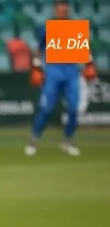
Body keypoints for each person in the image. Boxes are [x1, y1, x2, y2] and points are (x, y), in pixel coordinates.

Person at [25, 0, 98, 156]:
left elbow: (84, 47)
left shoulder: (75, 27)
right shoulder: (46, 27)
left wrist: (89, 64)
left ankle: (68, 141)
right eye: (60, 10)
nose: (63, 12)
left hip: (72, 71)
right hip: (53, 70)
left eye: (65, 10)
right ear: (55, 10)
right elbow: (38, 49)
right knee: (46, 108)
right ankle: (34, 140)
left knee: (73, 108)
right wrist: (37, 67)